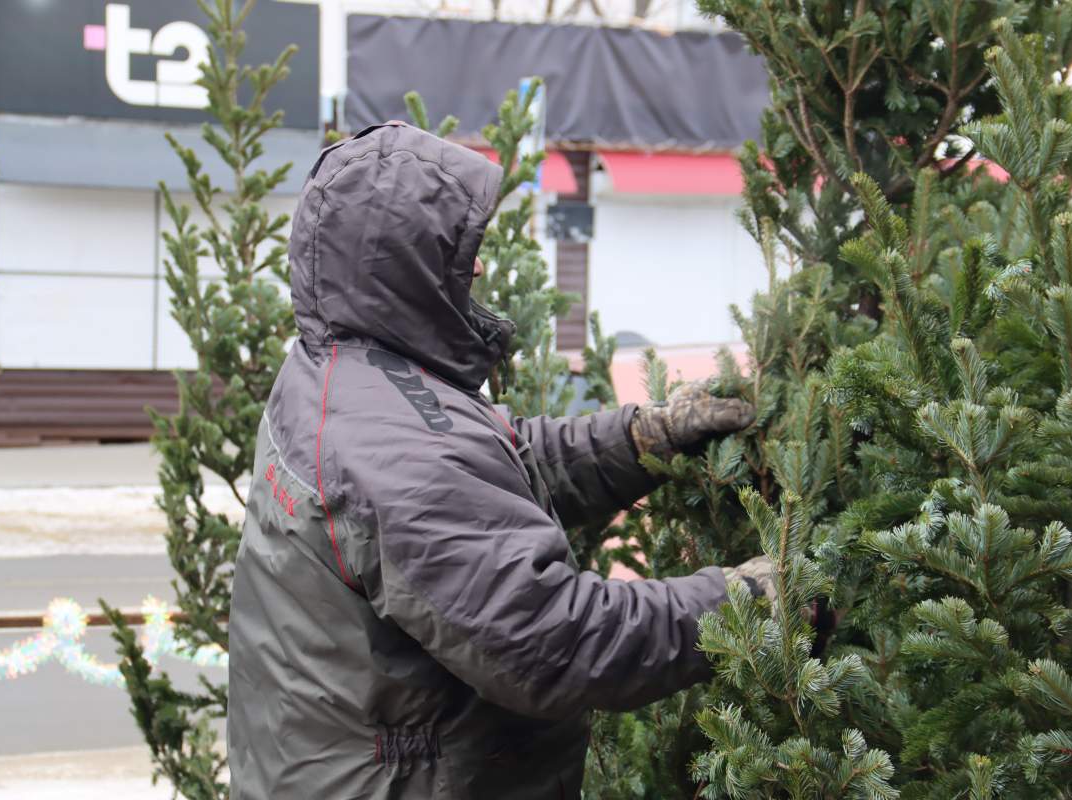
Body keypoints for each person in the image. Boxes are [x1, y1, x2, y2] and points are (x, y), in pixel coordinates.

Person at [227, 121, 773, 799]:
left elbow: (490, 459)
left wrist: (641, 438)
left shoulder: (343, 372)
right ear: (397, 264)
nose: (479, 266)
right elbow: (552, 641)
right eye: (459, 247)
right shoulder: (389, 448)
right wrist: (743, 603)